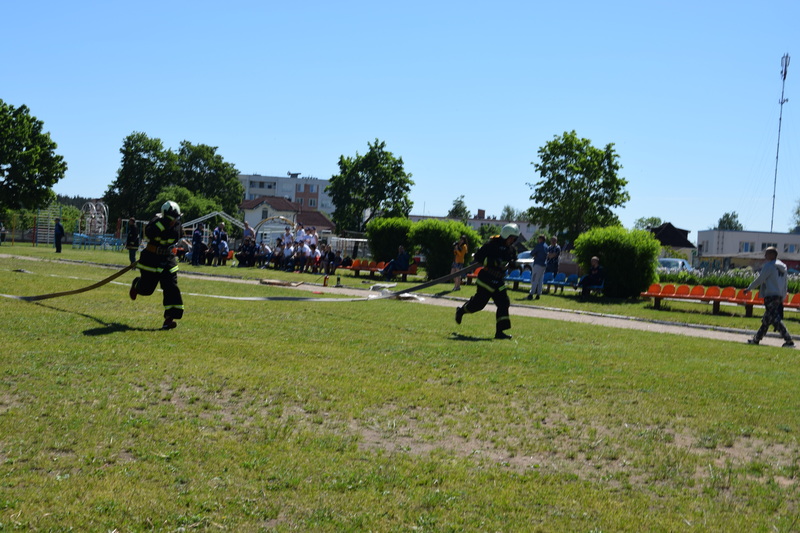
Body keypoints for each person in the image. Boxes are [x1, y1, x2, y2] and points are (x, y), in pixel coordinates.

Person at [455, 223, 519, 340]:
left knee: (504, 303)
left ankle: (499, 332)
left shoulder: (511, 249)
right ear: (506, 235)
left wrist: (513, 264)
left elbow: (513, 260)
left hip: (498, 281)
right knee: (478, 305)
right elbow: (478, 257)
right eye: (511, 238)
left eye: (514, 239)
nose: (512, 241)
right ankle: (461, 311)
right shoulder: (492, 244)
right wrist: (493, 261)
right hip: (486, 279)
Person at [129, 201, 184, 330]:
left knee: (171, 287)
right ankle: (137, 284)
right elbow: (149, 233)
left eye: (175, 218)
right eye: (171, 218)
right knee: (146, 289)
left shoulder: (177, 225)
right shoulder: (156, 221)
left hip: (167, 259)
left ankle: (169, 319)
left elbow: (177, 235)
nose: (174, 221)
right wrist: (164, 225)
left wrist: (171, 226)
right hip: (151, 259)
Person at [745, 246, 795, 347]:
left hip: (770, 295)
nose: (765, 256)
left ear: (772, 255)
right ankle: (756, 339)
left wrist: (749, 288)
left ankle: (789, 341)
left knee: (775, 319)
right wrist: (783, 295)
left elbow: (760, 279)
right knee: (767, 319)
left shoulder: (769, 266)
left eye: (767, 253)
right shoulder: (783, 267)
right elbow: (785, 283)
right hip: (778, 295)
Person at [526, 234, 548, 300]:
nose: (538, 240)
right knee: (540, 280)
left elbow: (532, 253)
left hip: (538, 264)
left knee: (534, 279)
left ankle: (531, 293)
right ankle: (538, 294)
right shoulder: (546, 246)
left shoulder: (539, 245)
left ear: (541, 239)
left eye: (538, 239)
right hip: (543, 265)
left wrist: (535, 255)